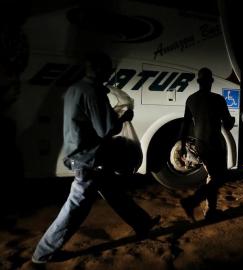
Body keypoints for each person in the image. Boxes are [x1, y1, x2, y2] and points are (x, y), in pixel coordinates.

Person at [31, 51, 159, 264]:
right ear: (100, 69)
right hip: (90, 157)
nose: (110, 72)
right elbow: (106, 129)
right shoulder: (94, 91)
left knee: (112, 191)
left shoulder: (75, 88)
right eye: (108, 68)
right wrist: (124, 117)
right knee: (76, 205)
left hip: (81, 152)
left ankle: (143, 224)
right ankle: (43, 253)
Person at [179, 67, 235, 221]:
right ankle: (192, 202)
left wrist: (183, 144)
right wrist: (232, 121)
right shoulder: (218, 99)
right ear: (211, 81)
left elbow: (185, 124)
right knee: (219, 177)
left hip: (200, 144)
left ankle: (210, 211)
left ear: (198, 82)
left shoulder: (191, 99)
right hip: (215, 144)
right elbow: (228, 123)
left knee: (212, 176)